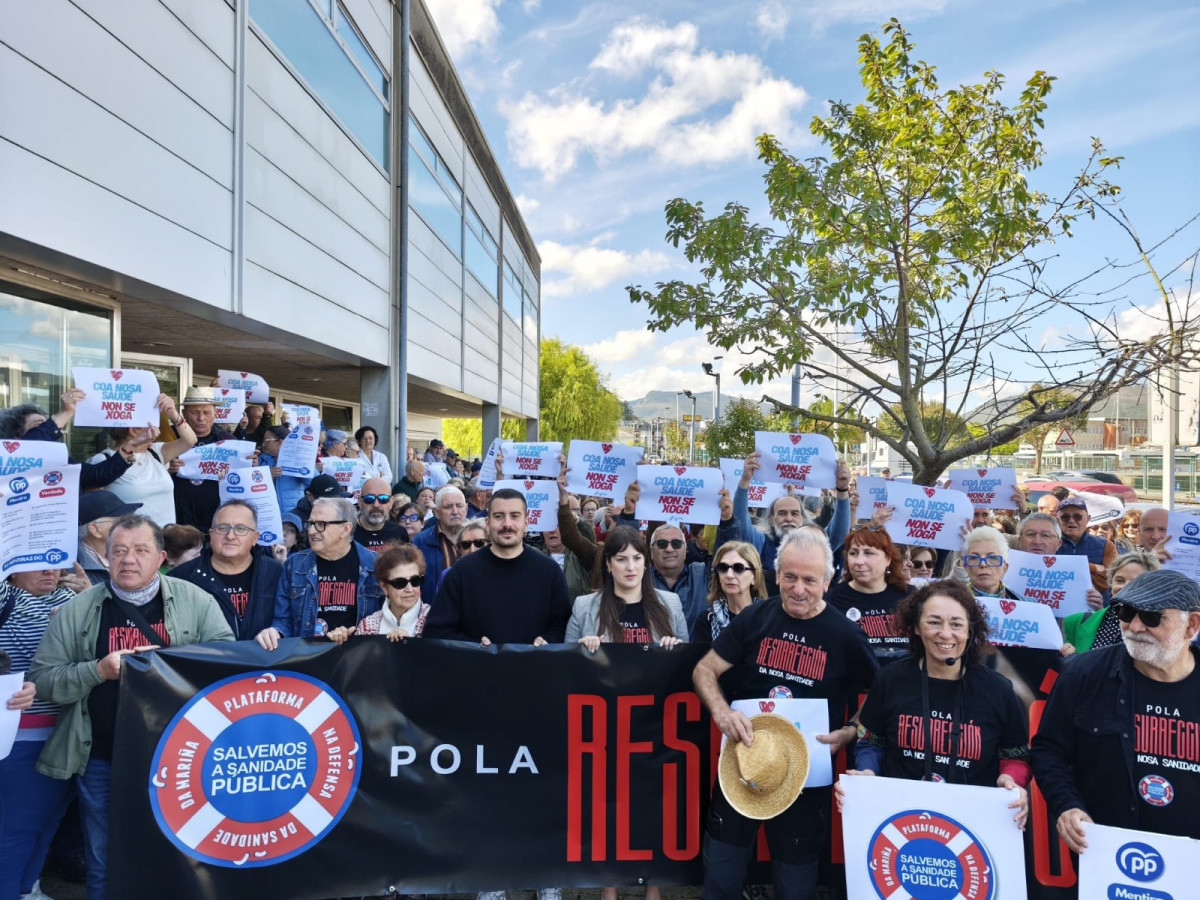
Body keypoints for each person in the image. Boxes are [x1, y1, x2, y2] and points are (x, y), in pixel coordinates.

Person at [29, 514, 234, 899]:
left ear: (160, 558)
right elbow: (43, 680)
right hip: (103, 758)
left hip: (181, 760)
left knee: (179, 854)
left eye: (140, 550)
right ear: (104, 558)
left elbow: (227, 664)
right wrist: (98, 670)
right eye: (119, 551)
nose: (128, 560)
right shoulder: (78, 610)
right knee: (105, 859)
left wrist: (174, 665)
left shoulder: (196, 601)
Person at [692, 528, 880, 899]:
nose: (798, 588)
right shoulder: (754, 617)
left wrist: (851, 730)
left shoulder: (845, 634)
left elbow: (880, 693)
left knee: (795, 886)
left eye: (809, 580)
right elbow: (704, 670)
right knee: (721, 878)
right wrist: (721, 711)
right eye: (790, 577)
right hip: (743, 767)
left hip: (808, 775)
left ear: (827, 581)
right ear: (776, 575)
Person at [837, 579, 1030, 824]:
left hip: (974, 823)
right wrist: (867, 771)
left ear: (970, 630)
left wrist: (1011, 780)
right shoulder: (890, 679)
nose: (945, 633)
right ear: (916, 626)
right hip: (897, 818)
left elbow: (1016, 756)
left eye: (956, 624)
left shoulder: (999, 690)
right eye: (934, 622)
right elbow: (870, 742)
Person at [1031, 569, 1200, 847]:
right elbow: (1049, 750)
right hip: (1101, 851)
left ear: (1191, 625)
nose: (1134, 627)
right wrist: (1067, 805)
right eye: (1125, 612)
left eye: (1151, 617)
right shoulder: (1083, 673)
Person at [0, 569, 77, 900]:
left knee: (49, 819)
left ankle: (27, 888)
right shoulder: (5, 598)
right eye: (38, 560)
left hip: (68, 730)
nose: (51, 569)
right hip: (18, 734)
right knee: (17, 827)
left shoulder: (73, 598)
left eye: (57, 560)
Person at [424, 488, 570, 646]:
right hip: (477, 668)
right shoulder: (462, 572)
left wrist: (548, 641)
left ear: (526, 523)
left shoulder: (549, 571)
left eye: (515, 516)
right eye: (499, 516)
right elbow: (436, 630)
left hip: (534, 667)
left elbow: (563, 627)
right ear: (487, 523)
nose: (507, 524)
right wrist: (474, 646)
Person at [715, 451, 852, 597]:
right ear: (772, 519)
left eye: (794, 513)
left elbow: (839, 532)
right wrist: (744, 482)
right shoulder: (762, 543)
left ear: (803, 519)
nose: (788, 518)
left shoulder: (816, 543)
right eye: (781, 513)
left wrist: (842, 490)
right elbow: (740, 524)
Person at [255, 497, 384, 649]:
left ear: (345, 529)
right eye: (310, 524)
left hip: (358, 658)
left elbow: (385, 618)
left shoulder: (375, 565)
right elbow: (283, 620)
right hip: (307, 660)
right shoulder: (294, 565)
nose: (311, 531)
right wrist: (275, 633)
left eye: (320, 524)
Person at [171, 500, 284, 639]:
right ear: (211, 534)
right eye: (223, 528)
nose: (230, 536)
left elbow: (288, 621)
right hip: (208, 659)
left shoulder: (277, 574)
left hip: (265, 658)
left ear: (255, 538)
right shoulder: (181, 579)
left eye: (241, 529)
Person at [567, 526, 687, 651]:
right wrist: (581, 651)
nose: (631, 567)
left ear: (645, 562)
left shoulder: (672, 604)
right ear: (609, 564)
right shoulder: (583, 607)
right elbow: (567, 661)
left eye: (637, 558)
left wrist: (675, 650)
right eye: (621, 559)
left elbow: (686, 661)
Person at [1, 390, 151, 490]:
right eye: (39, 427)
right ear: (16, 438)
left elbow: (95, 476)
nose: (52, 431)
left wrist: (129, 447)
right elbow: (29, 447)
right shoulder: (6, 462)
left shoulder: (58, 461)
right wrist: (66, 413)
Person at [86, 392, 196, 526]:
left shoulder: (155, 452)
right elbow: (93, 512)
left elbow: (190, 440)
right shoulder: (103, 460)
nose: (158, 428)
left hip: (166, 542)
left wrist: (173, 414)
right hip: (134, 543)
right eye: (151, 422)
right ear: (133, 430)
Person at [827, 525, 911, 659]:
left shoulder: (909, 596)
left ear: (888, 559)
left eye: (869, 553)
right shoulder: (831, 599)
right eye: (853, 553)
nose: (859, 561)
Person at [171, 385, 249, 530]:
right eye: (195, 412)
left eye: (207, 412)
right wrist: (166, 469)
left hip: (217, 520)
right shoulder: (169, 438)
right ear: (183, 413)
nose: (201, 418)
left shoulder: (229, 441)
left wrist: (250, 465)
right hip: (177, 519)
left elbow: (242, 481)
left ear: (216, 413)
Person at [1061, 551, 1160, 656]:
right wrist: (1071, 659)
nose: (1124, 587)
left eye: (1135, 582)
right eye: (1120, 581)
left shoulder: (1157, 627)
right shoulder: (1075, 622)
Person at [692, 540, 767, 645]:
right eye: (723, 568)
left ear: (754, 577)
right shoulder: (706, 620)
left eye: (738, 568)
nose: (729, 575)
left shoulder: (769, 617)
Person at [353, 544, 430, 639]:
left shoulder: (434, 620)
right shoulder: (367, 627)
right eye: (400, 583)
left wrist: (411, 644)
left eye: (415, 580)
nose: (409, 589)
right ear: (384, 587)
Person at [410, 485, 469, 603]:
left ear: (466, 509)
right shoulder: (420, 542)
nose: (455, 511)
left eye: (459, 506)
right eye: (448, 507)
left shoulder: (480, 539)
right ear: (436, 512)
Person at [77, 491, 143, 585]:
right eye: (121, 521)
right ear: (95, 530)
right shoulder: (75, 570)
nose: (130, 525)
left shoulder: (132, 554)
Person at [1055, 496, 1117, 593]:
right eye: (1065, 517)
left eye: (1077, 516)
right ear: (1058, 520)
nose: (1071, 521)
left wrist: (1065, 573)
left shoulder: (1106, 546)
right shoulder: (1049, 544)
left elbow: (1110, 580)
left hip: (1097, 606)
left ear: (1088, 519)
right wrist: (1095, 568)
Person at [353, 478, 409, 552]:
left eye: (383, 499)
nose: (376, 505)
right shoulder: (347, 533)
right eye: (369, 498)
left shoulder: (399, 533)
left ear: (391, 503)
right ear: (360, 502)